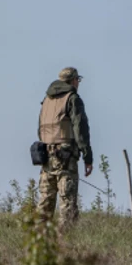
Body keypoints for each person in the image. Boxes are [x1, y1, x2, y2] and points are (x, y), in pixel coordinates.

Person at [37, 67, 93, 228]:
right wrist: (87, 157)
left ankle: (39, 239)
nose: (78, 83)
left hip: (46, 154)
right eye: (78, 80)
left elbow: (39, 128)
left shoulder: (46, 100)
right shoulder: (72, 98)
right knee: (67, 201)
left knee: (45, 201)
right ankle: (66, 241)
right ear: (74, 80)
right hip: (65, 155)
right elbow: (80, 128)